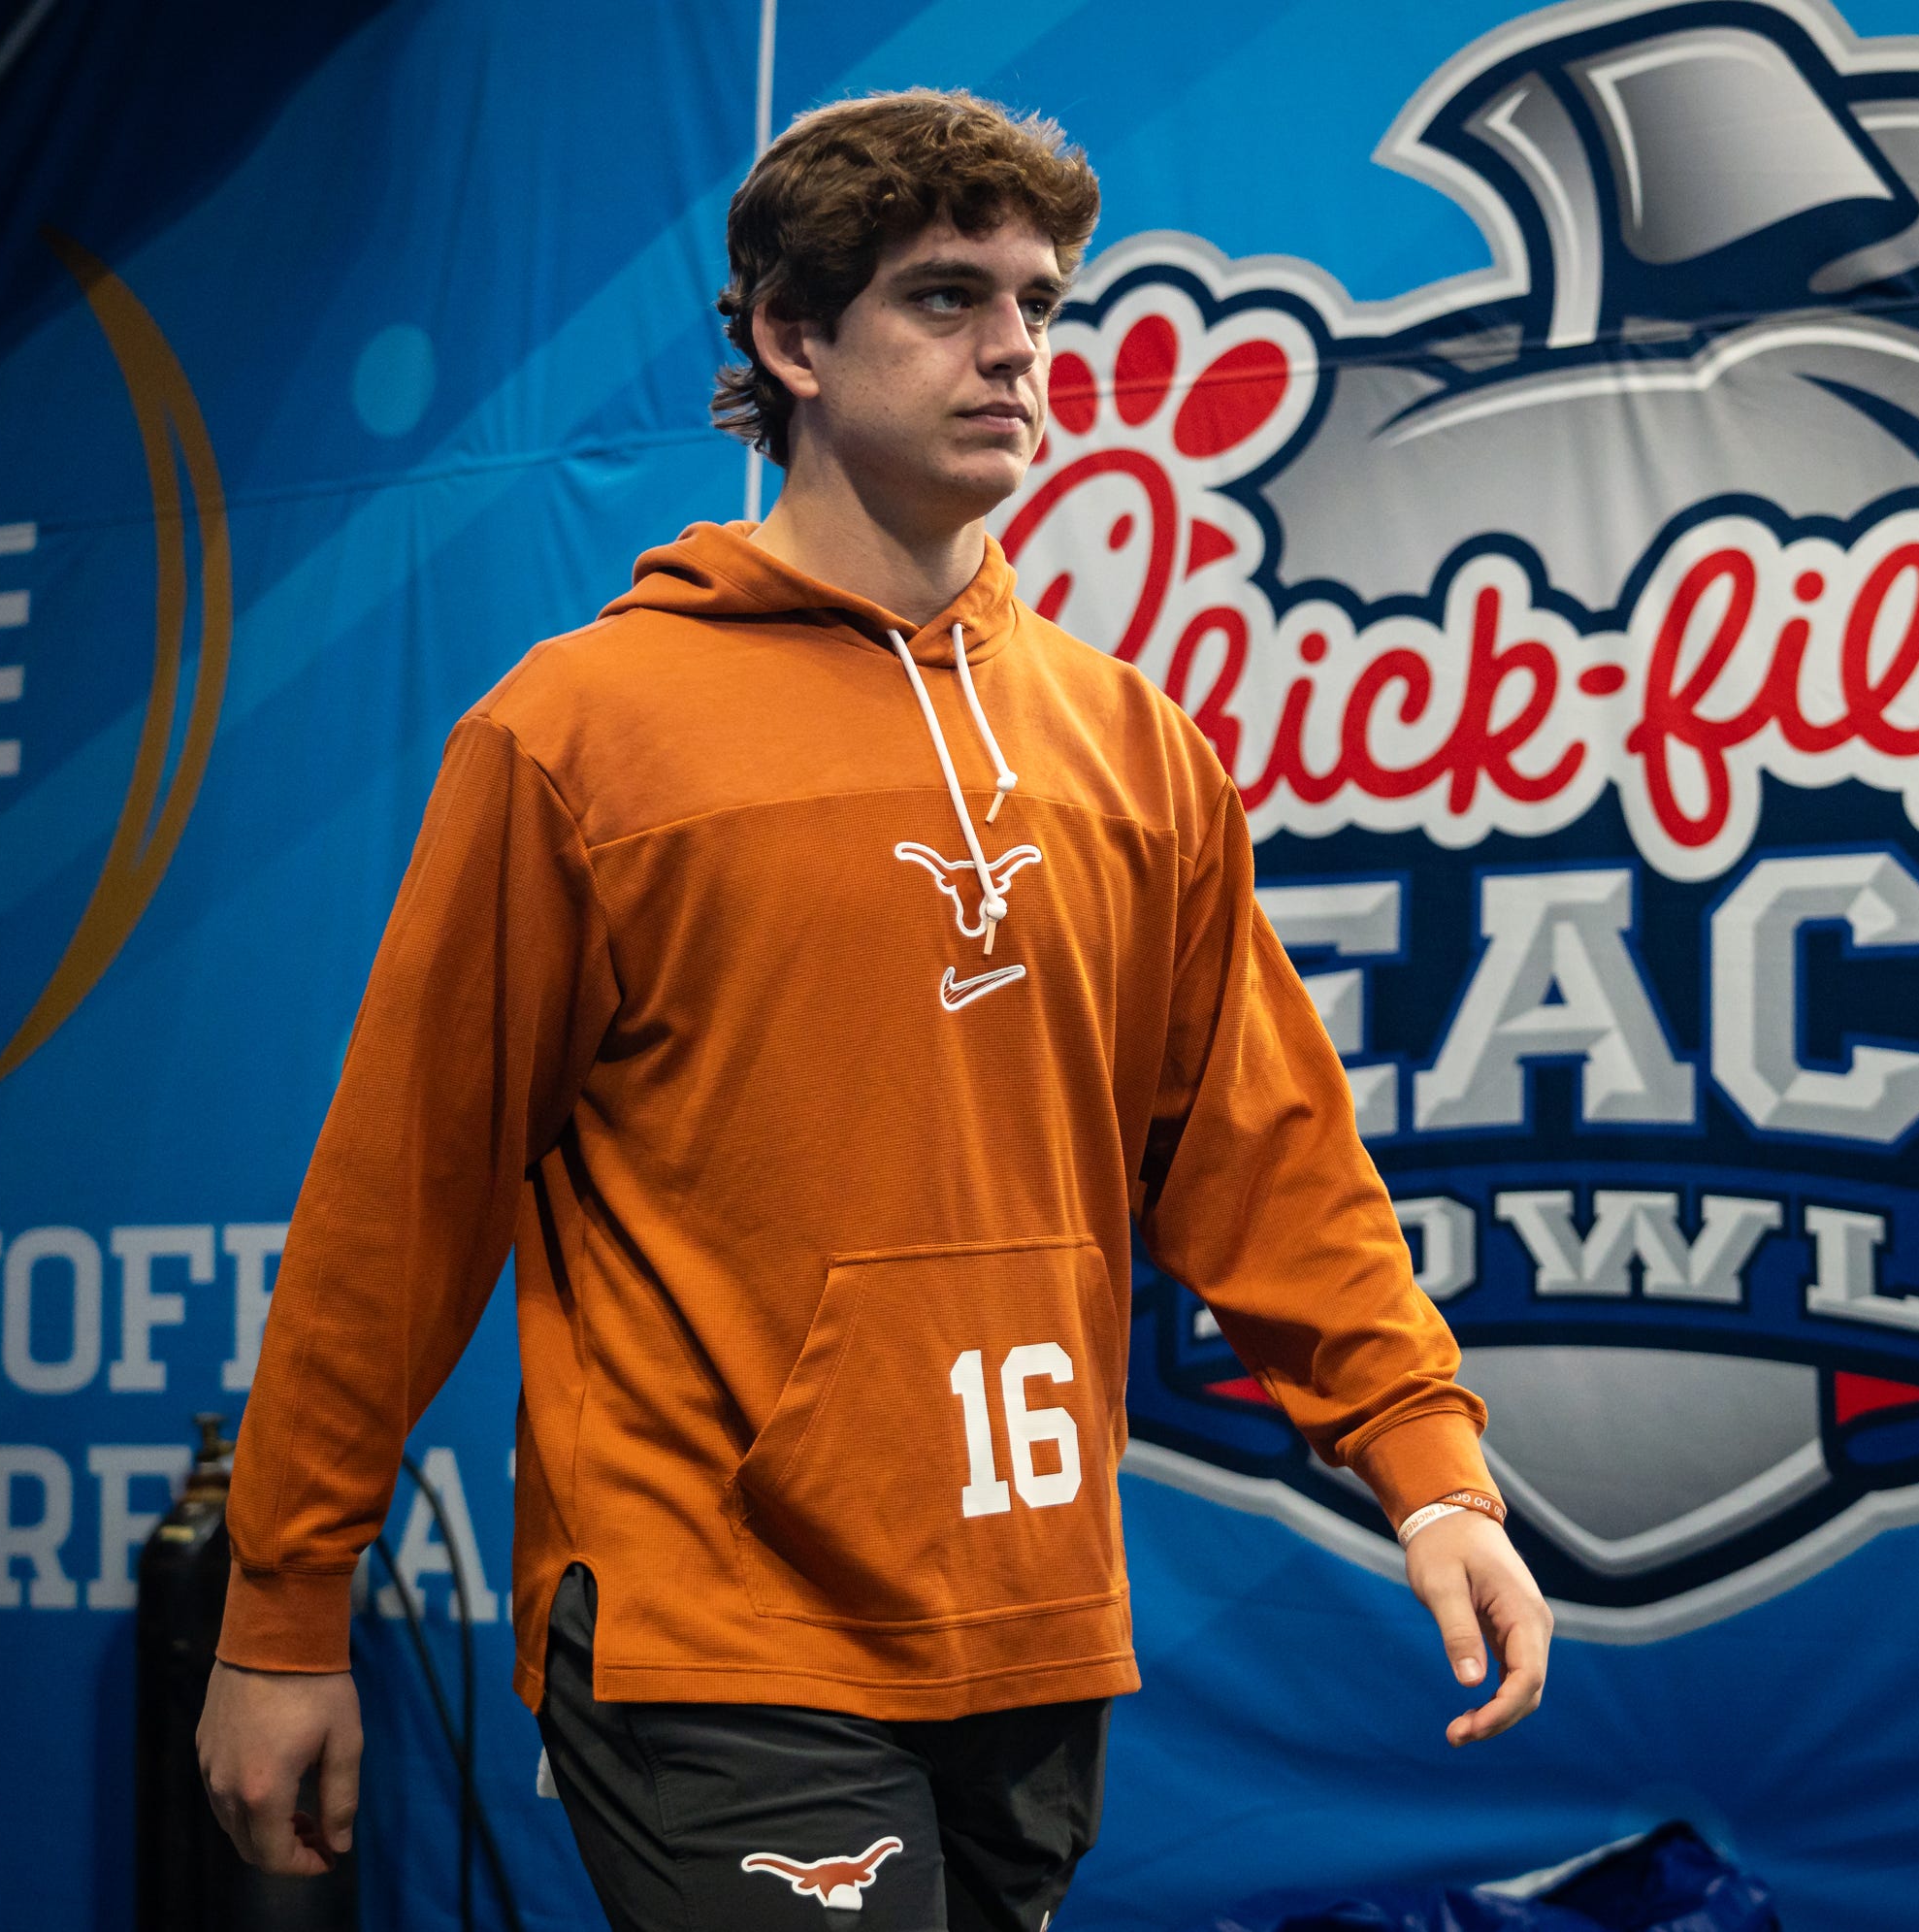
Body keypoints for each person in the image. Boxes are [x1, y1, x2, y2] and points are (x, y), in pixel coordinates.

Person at [197, 87, 1552, 1931]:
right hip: (715, 1618)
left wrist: (1433, 1473)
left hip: (1031, 1616)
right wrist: (282, 1612)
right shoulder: (580, 734)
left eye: (1040, 303)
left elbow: (1265, 1155)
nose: (1014, 348)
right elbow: (403, 1200)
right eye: (944, 296)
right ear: (791, 340)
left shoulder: (1130, 746)